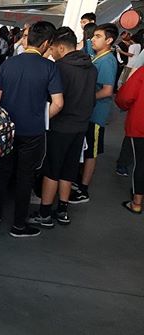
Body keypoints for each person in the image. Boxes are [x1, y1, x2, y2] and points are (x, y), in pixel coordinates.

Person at [0, 21, 64, 237]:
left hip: (7, 131)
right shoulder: (49, 67)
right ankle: (18, 225)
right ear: (47, 43)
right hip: (33, 132)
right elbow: (58, 103)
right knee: (25, 177)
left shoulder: (9, 64)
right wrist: (39, 118)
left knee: (2, 174)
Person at [27, 27, 97, 228]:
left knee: (52, 170)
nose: (50, 51)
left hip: (59, 126)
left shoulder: (59, 68)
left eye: (52, 47)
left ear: (60, 47)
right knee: (69, 169)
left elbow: (54, 100)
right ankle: (63, 210)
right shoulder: (91, 68)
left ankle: (45, 212)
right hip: (81, 127)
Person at [70, 23, 119, 204]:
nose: (93, 39)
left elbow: (107, 90)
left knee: (91, 152)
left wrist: (86, 98)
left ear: (109, 40)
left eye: (98, 36)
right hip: (89, 113)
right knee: (87, 148)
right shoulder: (98, 57)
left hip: (96, 115)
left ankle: (84, 190)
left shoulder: (107, 61)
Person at [115, 66, 144, 214]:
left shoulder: (142, 72)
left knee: (141, 163)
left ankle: (137, 203)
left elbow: (125, 97)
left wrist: (122, 105)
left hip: (141, 124)